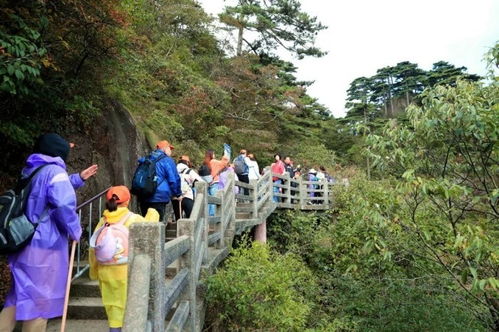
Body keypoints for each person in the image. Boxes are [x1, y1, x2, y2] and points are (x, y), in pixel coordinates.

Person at [0, 133, 98, 331]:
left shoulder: (32, 169)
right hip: (45, 246)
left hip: (23, 241)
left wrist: (78, 179)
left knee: (17, 296)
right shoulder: (55, 172)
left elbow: (43, 191)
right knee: (40, 300)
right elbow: (62, 202)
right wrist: (75, 230)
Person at [89, 186, 159, 332]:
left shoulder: (103, 222)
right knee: (129, 306)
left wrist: (94, 272)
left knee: (113, 307)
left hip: (105, 271)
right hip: (125, 271)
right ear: (128, 201)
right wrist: (153, 212)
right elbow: (149, 226)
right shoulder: (133, 219)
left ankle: (114, 329)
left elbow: (93, 248)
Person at [137, 140, 181, 223]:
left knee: (145, 223)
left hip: (144, 195)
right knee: (158, 224)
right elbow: (174, 180)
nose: (171, 151)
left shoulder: (146, 158)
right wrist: (177, 194)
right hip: (159, 197)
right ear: (164, 149)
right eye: (169, 148)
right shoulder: (167, 161)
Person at [203, 150, 228, 216]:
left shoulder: (205, 162)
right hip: (214, 182)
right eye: (214, 154)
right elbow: (224, 164)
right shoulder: (214, 161)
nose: (214, 155)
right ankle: (212, 216)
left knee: (208, 200)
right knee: (214, 200)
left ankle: (207, 216)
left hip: (207, 182)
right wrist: (225, 156)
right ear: (211, 155)